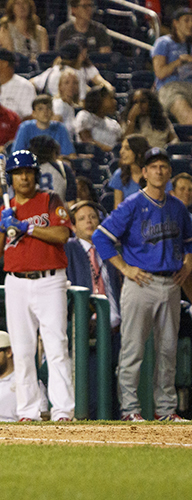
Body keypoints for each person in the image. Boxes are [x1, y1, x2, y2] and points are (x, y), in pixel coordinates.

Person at [92, 147, 192, 422]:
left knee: (168, 350)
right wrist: (125, 268)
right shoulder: (131, 205)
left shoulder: (178, 207)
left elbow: (188, 240)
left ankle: (166, 409)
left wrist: (189, 262)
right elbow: (101, 237)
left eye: (163, 166)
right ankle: (130, 410)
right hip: (141, 283)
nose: (159, 171)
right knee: (133, 350)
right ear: (144, 173)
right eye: (153, 166)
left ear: (168, 172)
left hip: (171, 283)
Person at [0, 150, 74, 421]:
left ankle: (62, 411)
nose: (24, 176)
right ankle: (28, 411)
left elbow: (62, 234)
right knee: (22, 351)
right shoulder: (4, 210)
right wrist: (3, 228)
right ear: (10, 178)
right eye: (19, 173)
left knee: (56, 346)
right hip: (16, 283)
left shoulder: (49, 200)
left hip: (50, 280)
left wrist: (27, 228)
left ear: (36, 174)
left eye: (28, 171)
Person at [65, 200, 121, 330]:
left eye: (93, 217)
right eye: (82, 219)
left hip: (114, 321)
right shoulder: (68, 249)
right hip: (83, 323)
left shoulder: (110, 248)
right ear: (73, 226)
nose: (89, 221)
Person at [31, 40, 112, 101]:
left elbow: (31, 83)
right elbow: (81, 100)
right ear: (78, 57)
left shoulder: (51, 71)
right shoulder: (74, 75)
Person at [152, 8, 192, 126]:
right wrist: (178, 62)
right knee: (189, 120)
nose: (191, 25)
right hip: (171, 88)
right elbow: (159, 73)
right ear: (176, 23)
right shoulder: (164, 42)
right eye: (187, 20)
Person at [12, 94, 76, 157]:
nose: (45, 112)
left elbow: (71, 155)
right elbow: (17, 154)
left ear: (52, 112)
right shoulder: (25, 127)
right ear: (34, 113)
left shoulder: (60, 128)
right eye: (40, 109)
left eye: (48, 108)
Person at [75, 85, 122, 152]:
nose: (115, 102)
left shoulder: (114, 124)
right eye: (111, 98)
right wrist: (111, 151)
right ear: (98, 99)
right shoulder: (85, 116)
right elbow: (87, 141)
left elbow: (122, 144)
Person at [108, 134, 150, 209]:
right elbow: (118, 209)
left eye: (127, 149)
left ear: (139, 153)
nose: (121, 152)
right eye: (121, 148)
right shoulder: (119, 174)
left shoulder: (155, 173)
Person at [52, 69, 80, 138]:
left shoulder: (72, 107)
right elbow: (54, 131)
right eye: (67, 83)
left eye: (74, 83)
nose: (71, 86)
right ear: (60, 86)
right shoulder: (58, 105)